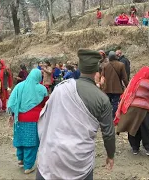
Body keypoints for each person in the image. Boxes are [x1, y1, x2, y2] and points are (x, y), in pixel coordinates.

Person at [37, 49, 115, 180]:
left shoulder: (60, 88)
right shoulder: (102, 99)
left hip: (51, 156)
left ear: (80, 68)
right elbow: (108, 133)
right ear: (97, 70)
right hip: (79, 162)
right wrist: (110, 155)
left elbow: (44, 117)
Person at [7, 69, 48, 174]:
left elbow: (12, 101)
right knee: (31, 142)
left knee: (20, 139)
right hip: (35, 119)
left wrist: (12, 114)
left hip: (19, 118)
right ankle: (28, 167)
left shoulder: (19, 86)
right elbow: (45, 104)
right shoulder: (42, 89)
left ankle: (20, 160)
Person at [101, 51, 129, 118]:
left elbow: (102, 77)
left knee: (108, 103)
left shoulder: (105, 66)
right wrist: (128, 86)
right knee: (115, 103)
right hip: (117, 88)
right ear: (115, 57)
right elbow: (124, 78)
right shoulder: (121, 65)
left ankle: (108, 117)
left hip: (107, 88)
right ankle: (114, 117)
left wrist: (102, 86)